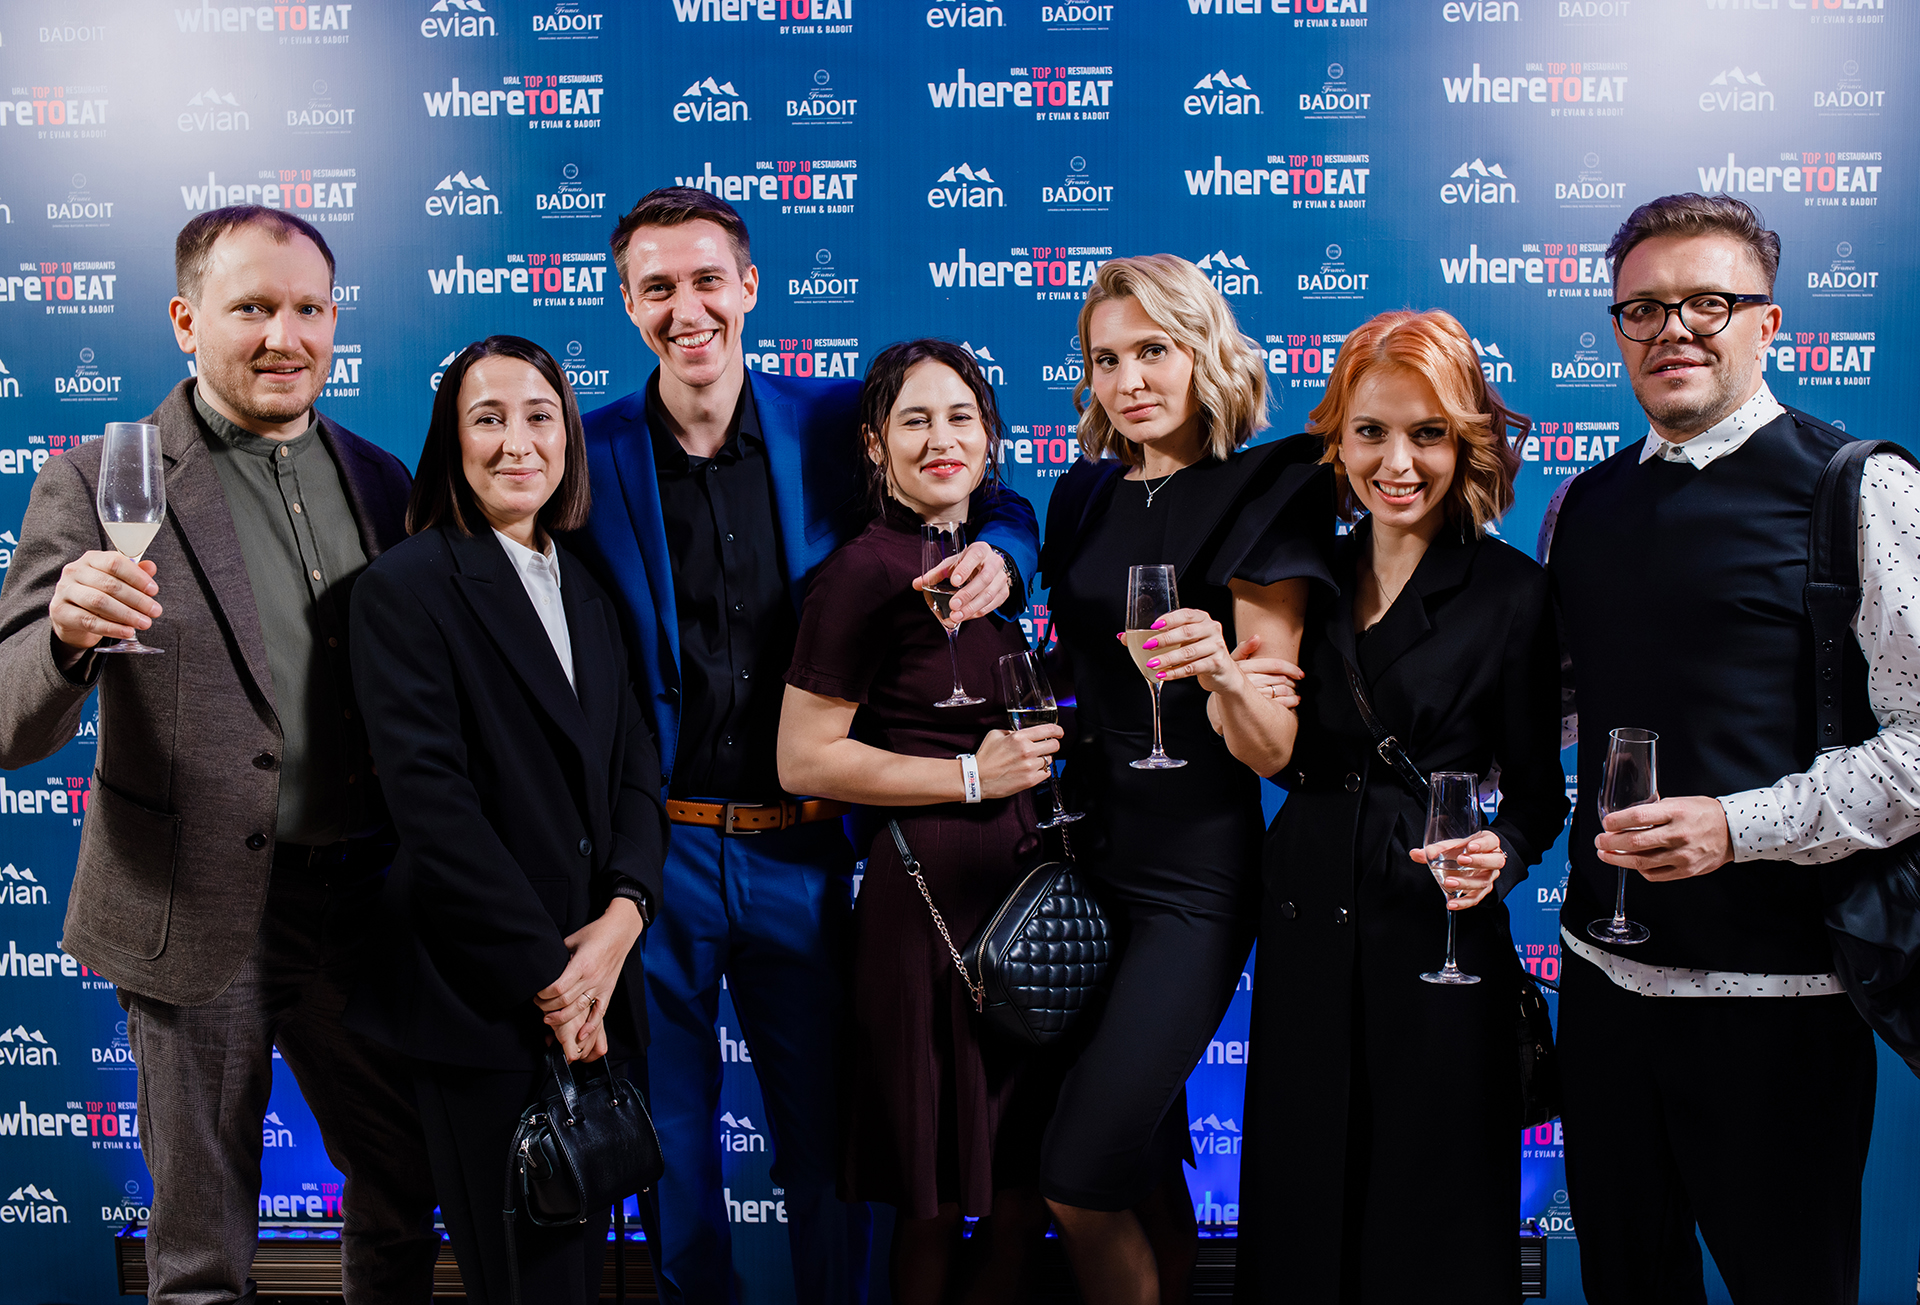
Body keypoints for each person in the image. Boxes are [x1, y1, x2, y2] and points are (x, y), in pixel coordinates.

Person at [572, 186, 1039, 1305]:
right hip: (662, 850)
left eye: (707, 280)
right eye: (657, 288)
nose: (687, 309)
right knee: (674, 1152)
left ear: (750, 286)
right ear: (628, 303)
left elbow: (993, 492)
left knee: (834, 1144)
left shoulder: (834, 423)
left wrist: (1010, 558)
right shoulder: (586, 451)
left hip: (810, 847)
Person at [0, 207, 440, 1304]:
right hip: (194, 908)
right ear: (186, 320)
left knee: (405, 1192)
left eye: (308, 308)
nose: (285, 336)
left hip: (369, 907)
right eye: (252, 308)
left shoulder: (383, 478)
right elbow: (9, 722)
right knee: (200, 1251)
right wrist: (65, 636)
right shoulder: (97, 481)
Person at [1542, 193, 1920, 1305]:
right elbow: (1569, 711)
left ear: (1768, 323)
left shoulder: (1860, 488)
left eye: (1708, 302)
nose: (1674, 330)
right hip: (1604, 983)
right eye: (1643, 309)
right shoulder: (1584, 504)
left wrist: (1735, 826)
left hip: (1781, 999)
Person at [1233, 309, 1569, 1303]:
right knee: (1301, 1206)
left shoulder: (1511, 591)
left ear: (1464, 442)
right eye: (1371, 431)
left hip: (1436, 938)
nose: (1398, 463)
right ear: (1338, 439)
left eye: (1428, 434)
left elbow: (1539, 799)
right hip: (1304, 923)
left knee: (1431, 1223)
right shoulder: (1303, 579)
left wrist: (1502, 855)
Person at [345, 336, 667, 1305]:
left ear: (569, 436)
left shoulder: (590, 585)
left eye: (539, 416)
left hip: (601, 985)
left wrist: (623, 918)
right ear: (452, 442)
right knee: (525, 1286)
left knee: (581, 1278)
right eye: (487, 418)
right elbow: (433, 810)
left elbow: (637, 773)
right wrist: (554, 982)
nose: (517, 441)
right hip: (489, 1000)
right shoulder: (405, 588)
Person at [1036, 254, 1332, 1304]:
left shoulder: (1268, 489)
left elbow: (1273, 747)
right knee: (1136, 1163)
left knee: (1077, 1175)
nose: (1129, 381)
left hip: (1191, 878)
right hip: (1077, 865)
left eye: (1153, 350)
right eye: (1106, 359)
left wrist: (1222, 672)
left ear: (1205, 352)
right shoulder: (1082, 492)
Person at [777, 340, 1062, 1304]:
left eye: (961, 417)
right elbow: (803, 759)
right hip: (929, 916)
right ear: (874, 443)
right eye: (916, 420)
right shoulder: (861, 573)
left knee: (1024, 1192)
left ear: (990, 438)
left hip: (1028, 907)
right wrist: (970, 776)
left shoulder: (998, 560)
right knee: (932, 1201)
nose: (943, 439)